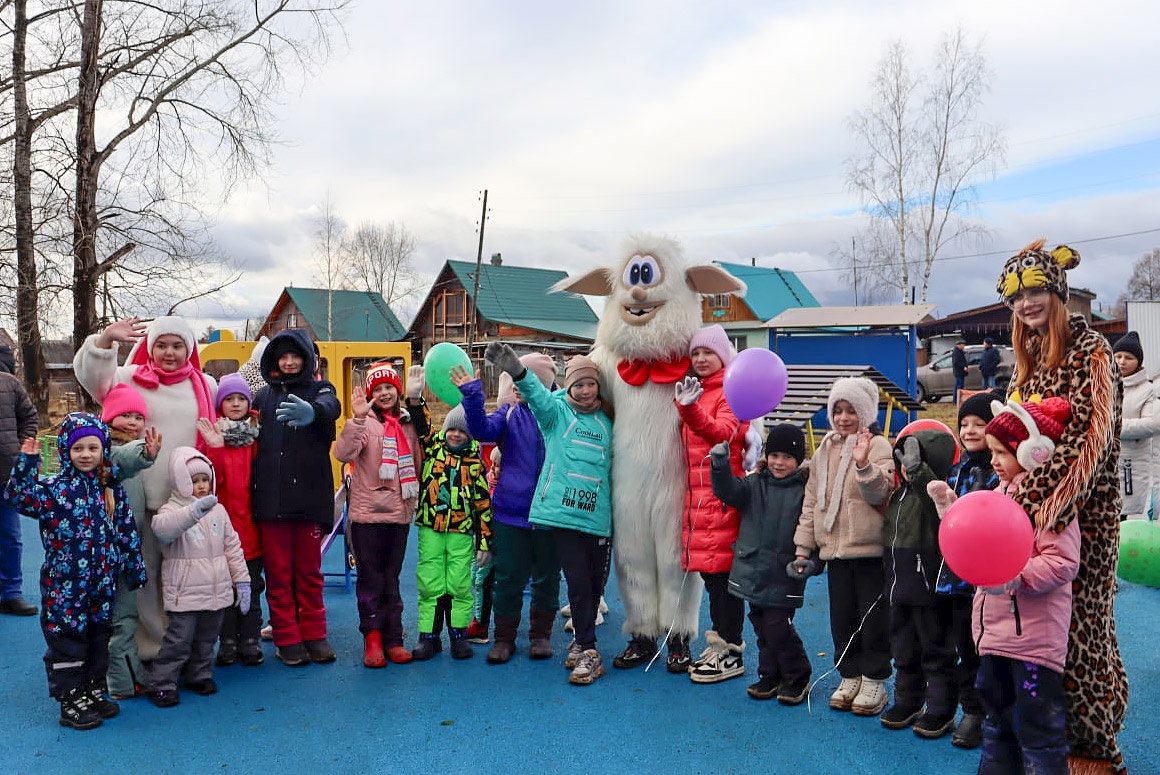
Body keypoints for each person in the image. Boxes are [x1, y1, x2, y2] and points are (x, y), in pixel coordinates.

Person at [995, 240, 1128, 773]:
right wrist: (1006, 501)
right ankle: (1045, 740)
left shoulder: (1092, 350)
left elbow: (1090, 441)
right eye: (1015, 296)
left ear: (1057, 291)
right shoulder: (1024, 364)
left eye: (1034, 291)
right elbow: (1009, 437)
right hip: (1026, 518)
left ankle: (1096, 748)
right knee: (1039, 635)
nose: (1026, 304)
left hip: (1083, 519)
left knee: (1083, 630)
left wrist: (1033, 503)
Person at [929, 396, 1078, 775]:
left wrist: (1016, 576)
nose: (993, 460)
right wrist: (951, 512)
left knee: (1037, 728)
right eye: (991, 451)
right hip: (995, 638)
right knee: (997, 720)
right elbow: (974, 544)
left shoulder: (1051, 503)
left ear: (1032, 453)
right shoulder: (999, 494)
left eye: (1001, 452)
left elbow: (1062, 562)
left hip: (1033, 645)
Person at [73, 316, 218, 662]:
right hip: (141, 499)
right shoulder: (129, 378)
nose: (169, 352)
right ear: (150, 347)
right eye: (162, 344)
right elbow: (91, 376)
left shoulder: (207, 385)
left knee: (187, 574)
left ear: (190, 349)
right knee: (145, 575)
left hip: (187, 501)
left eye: (177, 345)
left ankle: (186, 646)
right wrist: (106, 339)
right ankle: (151, 648)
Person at [3, 413, 146, 730]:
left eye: (92, 448)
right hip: (65, 588)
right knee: (68, 642)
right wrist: (26, 463)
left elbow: (125, 530)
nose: (85, 454)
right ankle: (70, 698)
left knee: (98, 638)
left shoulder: (108, 487)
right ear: (65, 451)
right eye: (77, 448)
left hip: (101, 585)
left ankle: (92, 689)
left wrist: (134, 566)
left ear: (103, 450)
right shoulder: (54, 490)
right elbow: (17, 497)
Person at [486, 344, 613, 685]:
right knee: (575, 583)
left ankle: (580, 639)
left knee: (591, 585)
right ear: (567, 387)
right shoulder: (556, 412)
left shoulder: (610, 419)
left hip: (598, 518)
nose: (585, 391)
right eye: (578, 385)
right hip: (561, 516)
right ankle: (587, 648)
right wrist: (517, 371)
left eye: (590, 384)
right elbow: (537, 397)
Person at [793, 377, 894, 717]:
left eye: (852, 411)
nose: (844, 417)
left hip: (867, 551)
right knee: (842, 618)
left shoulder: (879, 446)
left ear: (865, 413)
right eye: (838, 410)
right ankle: (849, 673)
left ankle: (874, 678)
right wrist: (803, 547)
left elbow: (880, 493)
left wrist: (863, 463)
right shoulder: (824, 449)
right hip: (835, 552)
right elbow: (812, 502)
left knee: (872, 618)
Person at [451, 353, 561, 664]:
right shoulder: (510, 414)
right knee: (509, 578)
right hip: (512, 513)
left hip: (551, 513)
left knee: (547, 578)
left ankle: (540, 636)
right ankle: (504, 638)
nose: (514, 385)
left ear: (540, 384)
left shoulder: (560, 413)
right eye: (512, 378)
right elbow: (482, 430)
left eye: (523, 378)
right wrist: (472, 396)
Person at [859, 424, 959, 738]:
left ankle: (941, 709)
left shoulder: (938, 492)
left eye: (915, 458)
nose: (906, 464)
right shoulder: (900, 493)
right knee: (903, 649)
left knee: (935, 651)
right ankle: (908, 700)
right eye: (904, 456)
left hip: (928, 590)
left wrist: (919, 473)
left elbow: (937, 507)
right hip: (898, 586)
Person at [251, 328, 341, 667]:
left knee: (309, 572)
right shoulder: (262, 398)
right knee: (278, 574)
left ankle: (315, 634)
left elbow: (332, 405)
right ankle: (287, 638)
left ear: (307, 359)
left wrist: (313, 413)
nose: (289, 362)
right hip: (272, 504)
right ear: (273, 361)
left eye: (295, 356)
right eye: (282, 356)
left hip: (309, 501)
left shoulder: (320, 389)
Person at [710, 423, 817, 705]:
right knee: (760, 624)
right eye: (774, 455)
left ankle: (797, 675)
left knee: (777, 627)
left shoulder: (804, 492)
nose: (779, 463)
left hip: (784, 573)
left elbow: (812, 531)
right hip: (754, 569)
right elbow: (727, 491)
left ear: (799, 460)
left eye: (788, 457)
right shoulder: (755, 483)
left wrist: (809, 561)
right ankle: (770, 674)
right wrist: (720, 464)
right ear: (766, 456)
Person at [673, 324, 750, 680]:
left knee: (724, 579)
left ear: (723, 355)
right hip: (698, 501)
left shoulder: (731, 392)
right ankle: (720, 642)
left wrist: (689, 411)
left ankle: (731, 650)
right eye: (696, 353)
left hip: (721, 500)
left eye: (709, 352)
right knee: (712, 575)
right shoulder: (696, 390)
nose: (701, 359)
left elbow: (723, 432)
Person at [147, 447, 250, 707]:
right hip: (186, 593)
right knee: (178, 641)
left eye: (205, 479)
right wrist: (193, 513)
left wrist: (242, 581)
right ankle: (162, 682)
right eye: (194, 481)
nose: (202, 486)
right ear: (181, 481)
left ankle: (199, 674)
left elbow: (233, 548)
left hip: (217, 592)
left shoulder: (219, 511)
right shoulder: (170, 510)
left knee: (207, 639)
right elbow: (162, 530)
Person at [334, 362, 420, 667]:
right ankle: (372, 638)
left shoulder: (408, 423)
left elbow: (418, 463)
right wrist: (356, 419)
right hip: (368, 515)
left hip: (398, 515)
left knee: (391, 579)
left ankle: (394, 638)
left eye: (389, 388)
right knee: (370, 578)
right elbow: (342, 454)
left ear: (397, 391)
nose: (384, 393)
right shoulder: (365, 423)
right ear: (371, 393)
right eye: (378, 389)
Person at [408, 393, 493, 662]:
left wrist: (484, 542)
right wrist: (414, 398)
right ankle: (429, 636)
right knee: (430, 581)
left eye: (462, 431)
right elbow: (422, 425)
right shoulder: (433, 448)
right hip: (431, 527)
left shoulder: (475, 463)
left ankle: (457, 634)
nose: (455, 435)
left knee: (458, 583)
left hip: (460, 531)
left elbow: (482, 504)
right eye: (452, 429)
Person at [939, 390, 1002, 749]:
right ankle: (971, 710)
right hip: (955, 579)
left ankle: (989, 712)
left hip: (986, 579)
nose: (971, 430)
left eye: (980, 423)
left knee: (985, 649)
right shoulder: (957, 469)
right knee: (963, 645)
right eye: (964, 424)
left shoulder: (998, 470)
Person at [197, 372, 266, 667]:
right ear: (220, 404)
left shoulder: (256, 435)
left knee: (251, 584)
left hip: (250, 528)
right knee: (224, 590)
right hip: (222, 530)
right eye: (229, 399)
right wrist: (216, 446)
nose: (236, 404)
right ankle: (226, 640)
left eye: (241, 399)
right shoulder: (212, 435)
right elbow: (210, 481)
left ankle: (249, 638)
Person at [101, 384, 162, 700]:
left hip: (125, 549)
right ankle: (122, 683)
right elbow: (122, 459)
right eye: (125, 415)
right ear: (109, 419)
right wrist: (145, 453)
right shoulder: (106, 451)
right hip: (111, 553)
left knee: (124, 615)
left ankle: (125, 673)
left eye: (138, 416)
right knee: (120, 618)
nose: (133, 422)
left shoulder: (125, 450)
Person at [0, 343, 40, 616]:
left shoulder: (9, 384)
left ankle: (11, 593)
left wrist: (22, 448)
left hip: (5, 474)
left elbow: (29, 417)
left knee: (11, 537)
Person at [1113, 331, 1160, 519]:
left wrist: (1114, 427)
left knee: (1124, 519)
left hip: (1130, 464)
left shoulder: (1147, 390)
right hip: (1102, 463)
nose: (1122, 362)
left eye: (1128, 357)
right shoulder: (1102, 385)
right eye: (1118, 356)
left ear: (1138, 362)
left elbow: (1153, 424)